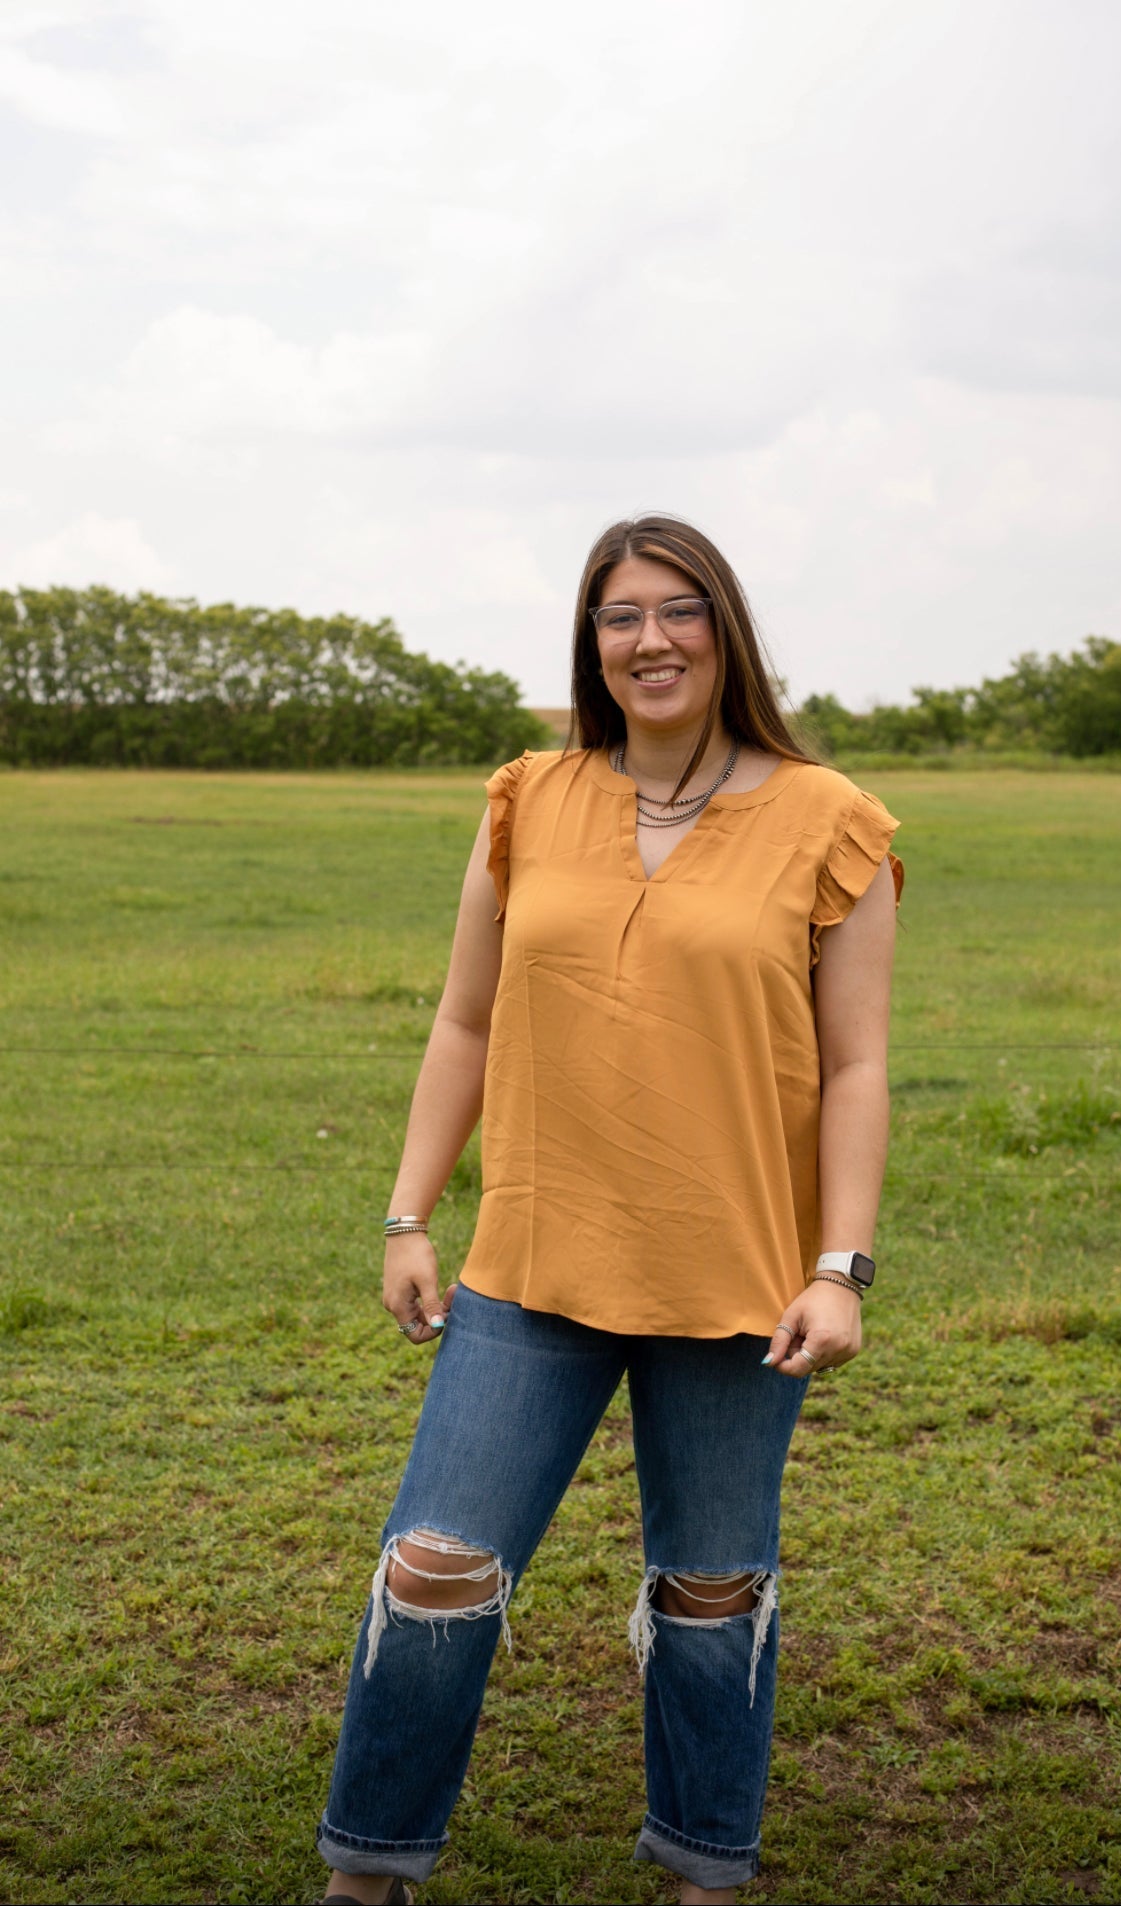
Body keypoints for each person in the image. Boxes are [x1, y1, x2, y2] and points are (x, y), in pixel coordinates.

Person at [316, 514, 903, 1906]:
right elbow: (464, 1021)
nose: (652, 639)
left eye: (679, 609)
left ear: (726, 629)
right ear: (593, 642)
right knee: (435, 1569)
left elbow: (858, 1066)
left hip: (739, 1277)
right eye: (622, 615)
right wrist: (408, 1215)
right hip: (534, 1260)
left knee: (713, 1594)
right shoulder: (529, 799)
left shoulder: (831, 819)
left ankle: (706, 1868)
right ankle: (365, 1871)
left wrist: (841, 1267)